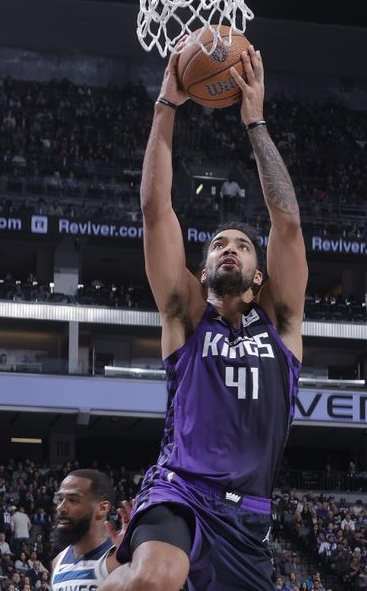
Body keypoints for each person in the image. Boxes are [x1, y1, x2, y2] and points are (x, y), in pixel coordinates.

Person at [102, 41, 307, 591]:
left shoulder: (282, 323)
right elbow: (155, 211)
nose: (230, 248)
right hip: (180, 489)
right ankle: (99, 579)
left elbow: (286, 225)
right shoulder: (187, 317)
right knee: (157, 578)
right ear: (203, 266)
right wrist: (165, 107)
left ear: (260, 276)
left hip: (249, 517)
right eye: (218, 244)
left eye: (242, 244)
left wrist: (256, 122)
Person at [49, 469, 131, 590]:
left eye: (73, 500)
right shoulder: (57, 562)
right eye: (60, 499)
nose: (61, 508)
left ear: (102, 508)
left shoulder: (119, 559)